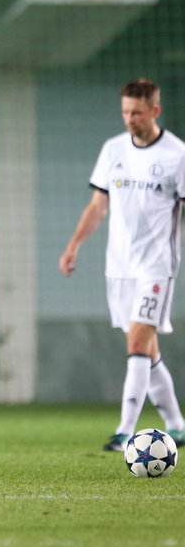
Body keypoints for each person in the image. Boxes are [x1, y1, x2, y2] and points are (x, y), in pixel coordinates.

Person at [59, 78, 185, 452]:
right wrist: (73, 245)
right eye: (126, 112)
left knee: (136, 342)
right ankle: (177, 425)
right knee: (147, 350)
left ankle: (125, 431)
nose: (130, 119)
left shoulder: (177, 154)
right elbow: (99, 205)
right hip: (119, 266)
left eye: (138, 113)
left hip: (157, 267)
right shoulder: (113, 149)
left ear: (155, 111)